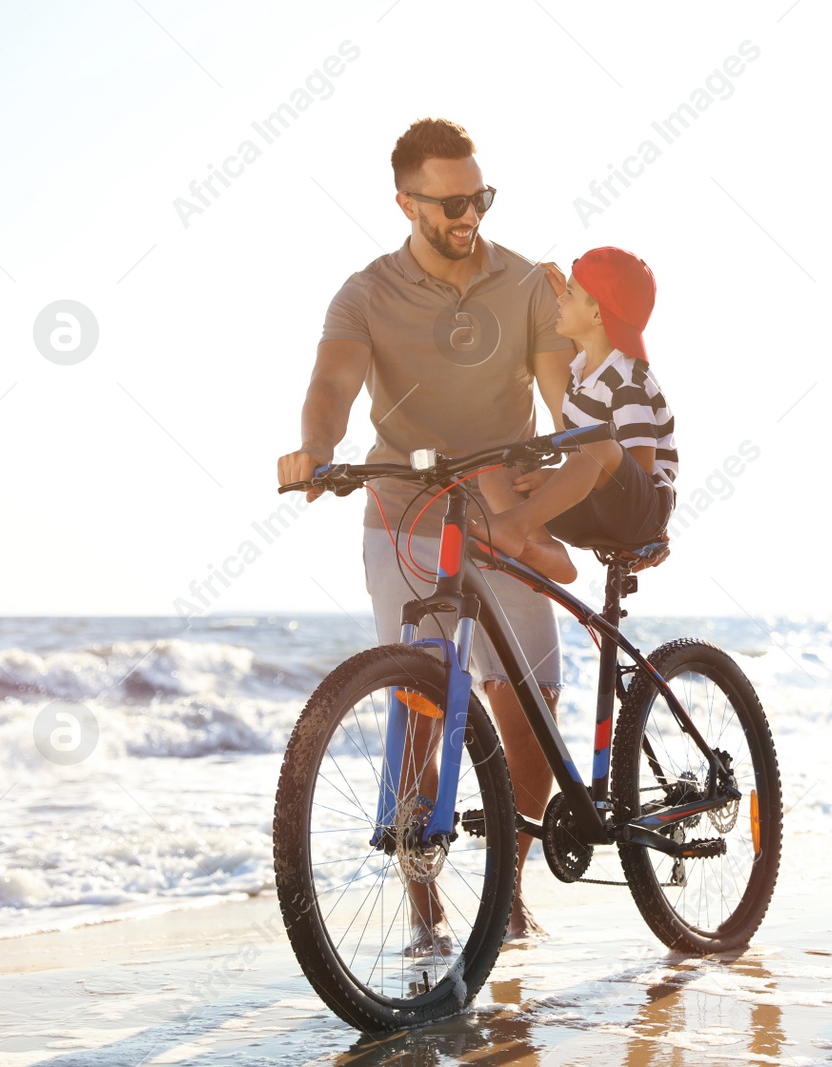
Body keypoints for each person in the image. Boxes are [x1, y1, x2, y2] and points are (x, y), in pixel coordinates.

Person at [276, 117, 578, 944]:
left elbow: (561, 392)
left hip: (500, 513)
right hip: (404, 513)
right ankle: (424, 909)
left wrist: (562, 456)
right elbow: (333, 380)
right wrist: (317, 448)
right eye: (448, 202)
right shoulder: (366, 292)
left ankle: (505, 897)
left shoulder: (523, 284)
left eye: (478, 197)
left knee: (533, 714)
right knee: (421, 704)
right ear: (406, 202)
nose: (467, 215)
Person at [471, 247, 677, 557]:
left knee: (600, 445)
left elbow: (640, 465)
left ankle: (515, 526)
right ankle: (543, 549)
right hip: (592, 512)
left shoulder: (626, 381)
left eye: (569, 293)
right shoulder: (586, 370)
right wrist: (565, 291)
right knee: (492, 470)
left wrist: (554, 477)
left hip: (638, 514)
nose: (559, 300)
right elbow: (594, 347)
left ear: (596, 314)